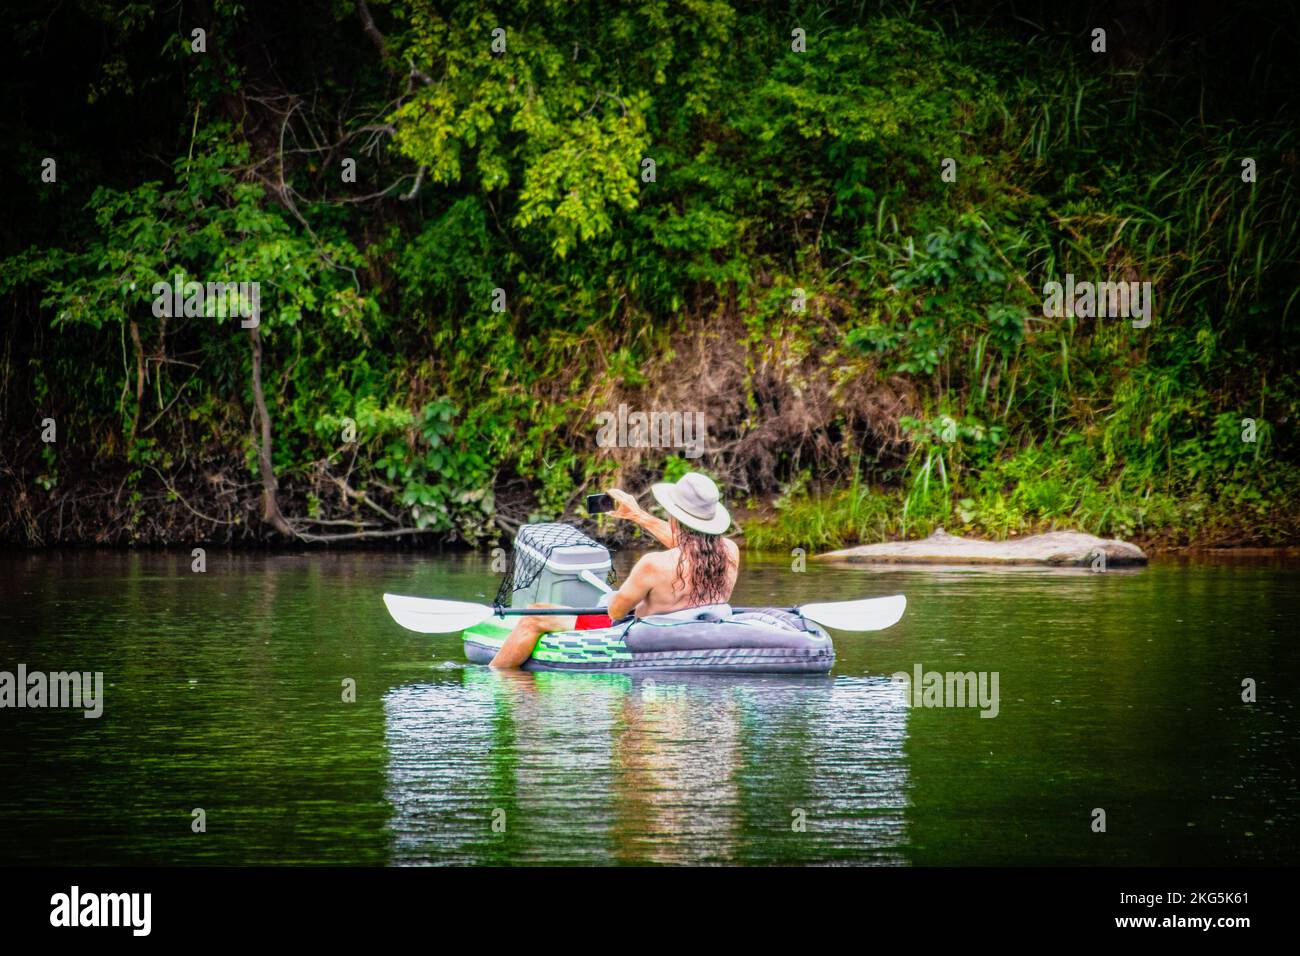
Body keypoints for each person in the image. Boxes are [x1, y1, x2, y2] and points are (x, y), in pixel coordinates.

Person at [489, 472, 740, 668]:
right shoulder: (730, 552)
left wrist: (620, 597)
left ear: (674, 517)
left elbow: (615, 611)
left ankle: (494, 679)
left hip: (640, 634)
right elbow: (693, 547)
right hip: (695, 627)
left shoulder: (654, 564)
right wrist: (637, 515)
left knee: (534, 616)